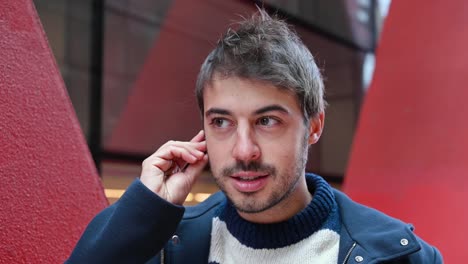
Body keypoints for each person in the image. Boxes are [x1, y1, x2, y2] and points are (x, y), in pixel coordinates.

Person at [67, 9, 442, 264]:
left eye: (267, 121)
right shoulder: (164, 245)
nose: (243, 151)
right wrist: (144, 209)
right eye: (221, 123)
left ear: (314, 127)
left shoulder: (400, 255)